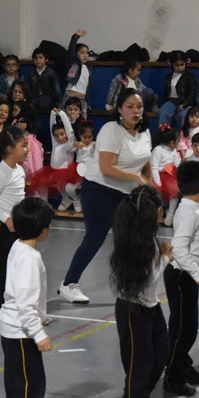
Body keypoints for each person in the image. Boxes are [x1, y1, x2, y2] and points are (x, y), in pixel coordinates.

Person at [58, 88, 152, 304]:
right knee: (95, 237)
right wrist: (137, 178)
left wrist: (150, 188)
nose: (136, 111)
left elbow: (145, 161)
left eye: (139, 107)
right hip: (99, 190)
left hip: (126, 193)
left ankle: (131, 286)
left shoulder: (144, 132)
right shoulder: (111, 130)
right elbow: (107, 168)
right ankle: (68, 284)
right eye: (130, 106)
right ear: (119, 109)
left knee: (130, 241)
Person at [110, 185, 171, 398]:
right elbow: (148, 281)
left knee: (160, 353)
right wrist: (166, 259)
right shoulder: (135, 242)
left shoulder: (147, 236)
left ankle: (138, 395)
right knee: (140, 361)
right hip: (133, 310)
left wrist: (160, 255)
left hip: (150, 306)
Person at [0, 197, 54, 398]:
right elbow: (26, 301)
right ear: (43, 229)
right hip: (22, 332)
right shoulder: (30, 259)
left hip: (15, 329)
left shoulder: (18, 246)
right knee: (30, 388)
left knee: (18, 385)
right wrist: (39, 334)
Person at [163, 161, 199, 397]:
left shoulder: (191, 208)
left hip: (184, 273)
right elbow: (179, 248)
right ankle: (173, 376)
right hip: (182, 275)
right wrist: (197, 273)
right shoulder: (189, 212)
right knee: (184, 330)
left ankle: (183, 367)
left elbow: (192, 242)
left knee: (184, 327)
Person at [0, 126, 30, 327]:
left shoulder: (19, 169)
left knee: (17, 268)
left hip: (16, 226)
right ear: (10, 149)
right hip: (1, 228)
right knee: (3, 268)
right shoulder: (1, 173)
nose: (28, 149)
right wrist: (6, 219)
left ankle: (15, 307)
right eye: (24, 145)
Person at [8, 80, 45, 184]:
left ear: (25, 94)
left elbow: (37, 126)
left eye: (20, 92)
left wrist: (26, 126)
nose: (17, 94)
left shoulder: (29, 108)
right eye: (15, 91)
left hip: (27, 146)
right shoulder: (7, 105)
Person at [150, 123, 181, 226]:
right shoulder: (158, 150)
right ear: (172, 142)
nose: (178, 142)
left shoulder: (174, 150)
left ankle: (171, 213)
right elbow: (154, 167)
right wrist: (158, 182)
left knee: (174, 192)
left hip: (170, 175)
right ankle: (157, 214)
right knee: (157, 195)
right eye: (177, 140)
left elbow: (176, 164)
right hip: (158, 175)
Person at [159, 50, 197, 129]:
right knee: (163, 113)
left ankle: (183, 135)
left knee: (182, 116)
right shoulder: (168, 76)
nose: (180, 67)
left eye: (182, 65)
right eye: (176, 65)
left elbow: (192, 93)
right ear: (171, 64)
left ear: (187, 63)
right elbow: (166, 93)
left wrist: (185, 105)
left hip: (186, 102)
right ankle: (164, 134)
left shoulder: (189, 76)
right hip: (172, 101)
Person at [63, 29, 91, 116]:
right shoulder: (73, 64)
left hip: (81, 99)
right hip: (69, 97)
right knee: (66, 121)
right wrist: (75, 36)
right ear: (76, 54)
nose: (85, 55)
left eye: (87, 53)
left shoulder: (88, 68)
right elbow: (71, 50)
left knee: (82, 122)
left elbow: (87, 86)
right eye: (82, 52)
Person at [27, 47, 62, 115]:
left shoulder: (51, 73)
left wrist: (58, 104)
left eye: (40, 57)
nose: (38, 60)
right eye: (36, 58)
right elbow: (29, 89)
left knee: (44, 102)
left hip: (48, 100)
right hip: (35, 100)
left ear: (46, 59)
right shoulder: (31, 73)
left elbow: (57, 90)